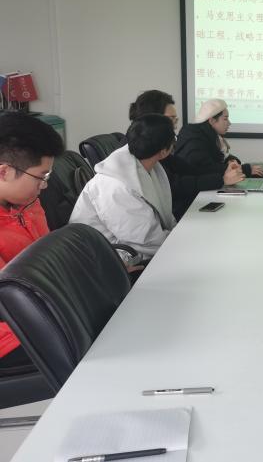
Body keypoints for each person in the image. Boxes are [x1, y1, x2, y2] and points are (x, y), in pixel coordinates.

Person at [0, 112, 64, 369]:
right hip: (12, 333)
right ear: (4, 171)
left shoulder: (26, 203)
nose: (44, 186)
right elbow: (8, 301)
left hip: (37, 311)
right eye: (41, 176)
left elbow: (46, 259)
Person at [70, 114, 177, 262]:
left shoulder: (147, 167)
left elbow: (164, 217)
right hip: (100, 260)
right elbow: (146, 241)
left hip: (132, 248)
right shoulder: (116, 185)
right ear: (164, 151)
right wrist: (182, 240)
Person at [129, 90, 244, 218]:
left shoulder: (156, 148)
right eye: (171, 119)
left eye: (175, 119)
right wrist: (222, 179)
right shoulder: (137, 155)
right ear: (151, 120)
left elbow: (190, 169)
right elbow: (173, 186)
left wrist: (224, 171)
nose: (174, 126)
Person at [174, 99, 263, 179]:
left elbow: (221, 157)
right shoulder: (194, 138)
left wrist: (231, 160)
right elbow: (206, 169)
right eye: (225, 119)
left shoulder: (210, 135)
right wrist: (244, 169)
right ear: (212, 121)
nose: (229, 123)